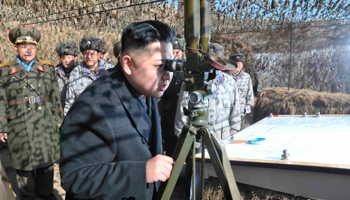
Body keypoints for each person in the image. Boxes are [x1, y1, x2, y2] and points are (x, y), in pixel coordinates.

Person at [60, 20, 175, 200]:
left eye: (171, 65)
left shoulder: (146, 87)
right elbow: (75, 177)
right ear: (129, 65)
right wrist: (141, 172)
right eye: (160, 66)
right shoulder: (93, 106)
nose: (168, 75)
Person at [0, 25, 62, 200]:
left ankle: (46, 193)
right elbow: (1, 100)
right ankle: (28, 195)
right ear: (16, 48)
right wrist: (2, 125)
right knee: (23, 164)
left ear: (36, 48)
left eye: (32, 46)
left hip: (44, 122)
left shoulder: (47, 69)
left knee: (46, 162)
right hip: (18, 124)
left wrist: (58, 118)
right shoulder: (4, 71)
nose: (28, 50)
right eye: (24, 46)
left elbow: (55, 95)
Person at [174, 43, 241, 140]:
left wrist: (234, 132)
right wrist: (182, 138)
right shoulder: (191, 81)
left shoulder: (229, 82)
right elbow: (181, 113)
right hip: (196, 142)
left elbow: (235, 112)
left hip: (223, 140)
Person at [64, 37, 114, 115]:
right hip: (84, 118)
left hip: (107, 116)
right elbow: (69, 102)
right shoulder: (76, 72)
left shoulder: (109, 70)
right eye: (85, 53)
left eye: (92, 53)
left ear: (99, 55)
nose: (89, 56)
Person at [158, 37, 185, 156]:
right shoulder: (165, 70)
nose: (175, 55)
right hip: (168, 116)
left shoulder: (187, 70)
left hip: (182, 115)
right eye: (172, 53)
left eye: (177, 52)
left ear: (182, 53)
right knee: (170, 147)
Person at [228, 53, 254, 129]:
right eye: (236, 65)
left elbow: (250, 93)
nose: (238, 67)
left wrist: (249, 105)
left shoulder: (247, 77)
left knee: (241, 129)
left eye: (240, 65)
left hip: (241, 110)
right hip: (228, 109)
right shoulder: (227, 76)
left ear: (242, 65)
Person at [55, 41, 78, 108]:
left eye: (69, 57)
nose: (67, 60)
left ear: (75, 58)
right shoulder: (54, 73)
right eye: (63, 58)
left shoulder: (80, 73)